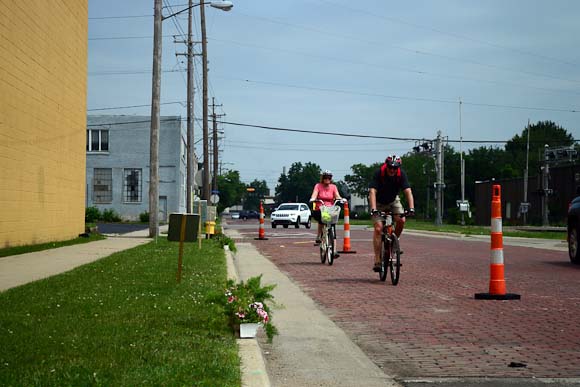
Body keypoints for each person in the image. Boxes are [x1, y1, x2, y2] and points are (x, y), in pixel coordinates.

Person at [368, 154, 415, 272]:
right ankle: (378, 260)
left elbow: (408, 191)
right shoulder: (379, 173)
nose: (392, 170)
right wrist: (374, 209)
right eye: (390, 167)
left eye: (395, 168)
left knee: (402, 220)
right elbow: (372, 192)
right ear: (386, 165)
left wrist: (411, 208)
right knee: (379, 229)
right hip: (378, 202)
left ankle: (394, 243)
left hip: (393, 201)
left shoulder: (401, 174)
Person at [309, 170, 343, 244]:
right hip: (321, 208)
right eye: (325, 177)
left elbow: (337, 196)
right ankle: (319, 236)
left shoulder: (333, 187)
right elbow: (314, 194)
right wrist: (313, 198)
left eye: (329, 178)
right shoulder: (318, 186)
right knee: (322, 220)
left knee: (333, 225)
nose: (327, 179)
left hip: (331, 209)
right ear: (322, 178)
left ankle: (334, 250)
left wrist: (341, 199)